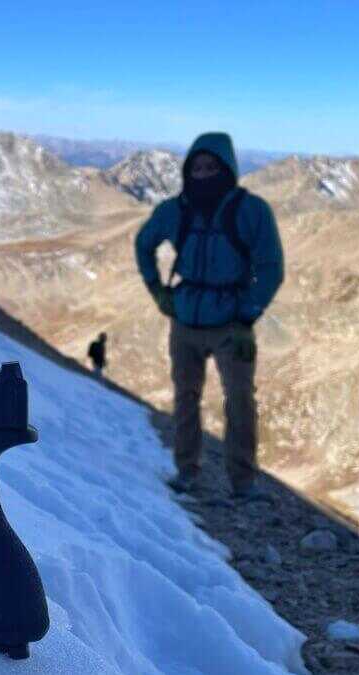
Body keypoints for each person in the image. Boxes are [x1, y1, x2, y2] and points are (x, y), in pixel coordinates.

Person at [134, 132, 284, 497]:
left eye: (211, 167)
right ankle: (187, 472)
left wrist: (247, 316)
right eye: (197, 168)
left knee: (240, 400)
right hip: (185, 319)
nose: (203, 175)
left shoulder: (251, 211)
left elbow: (270, 267)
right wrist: (158, 291)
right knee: (185, 397)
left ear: (227, 169)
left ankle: (243, 480)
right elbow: (144, 243)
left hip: (231, 324)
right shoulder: (175, 210)